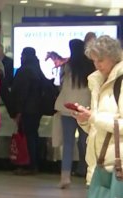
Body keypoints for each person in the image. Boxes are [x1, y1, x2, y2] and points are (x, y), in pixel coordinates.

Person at [74, 35, 123, 198]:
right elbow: (100, 124)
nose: (97, 65)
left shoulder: (119, 83)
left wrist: (93, 117)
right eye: (94, 60)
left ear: (114, 56)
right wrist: (85, 120)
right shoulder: (97, 81)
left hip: (118, 164)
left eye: (100, 60)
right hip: (103, 162)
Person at [54, 39, 95, 189]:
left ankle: (65, 176)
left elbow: (61, 86)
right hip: (85, 108)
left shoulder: (67, 66)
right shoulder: (90, 66)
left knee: (68, 143)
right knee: (86, 143)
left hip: (67, 109)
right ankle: (88, 175)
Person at [10, 47, 44, 175]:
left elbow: (20, 93)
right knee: (33, 136)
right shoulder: (37, 69)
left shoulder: (23, 70)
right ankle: (35, 163)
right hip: (37, 109)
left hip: (26, 109)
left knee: (27, 137)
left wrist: (17, 111)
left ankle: (28, 164)